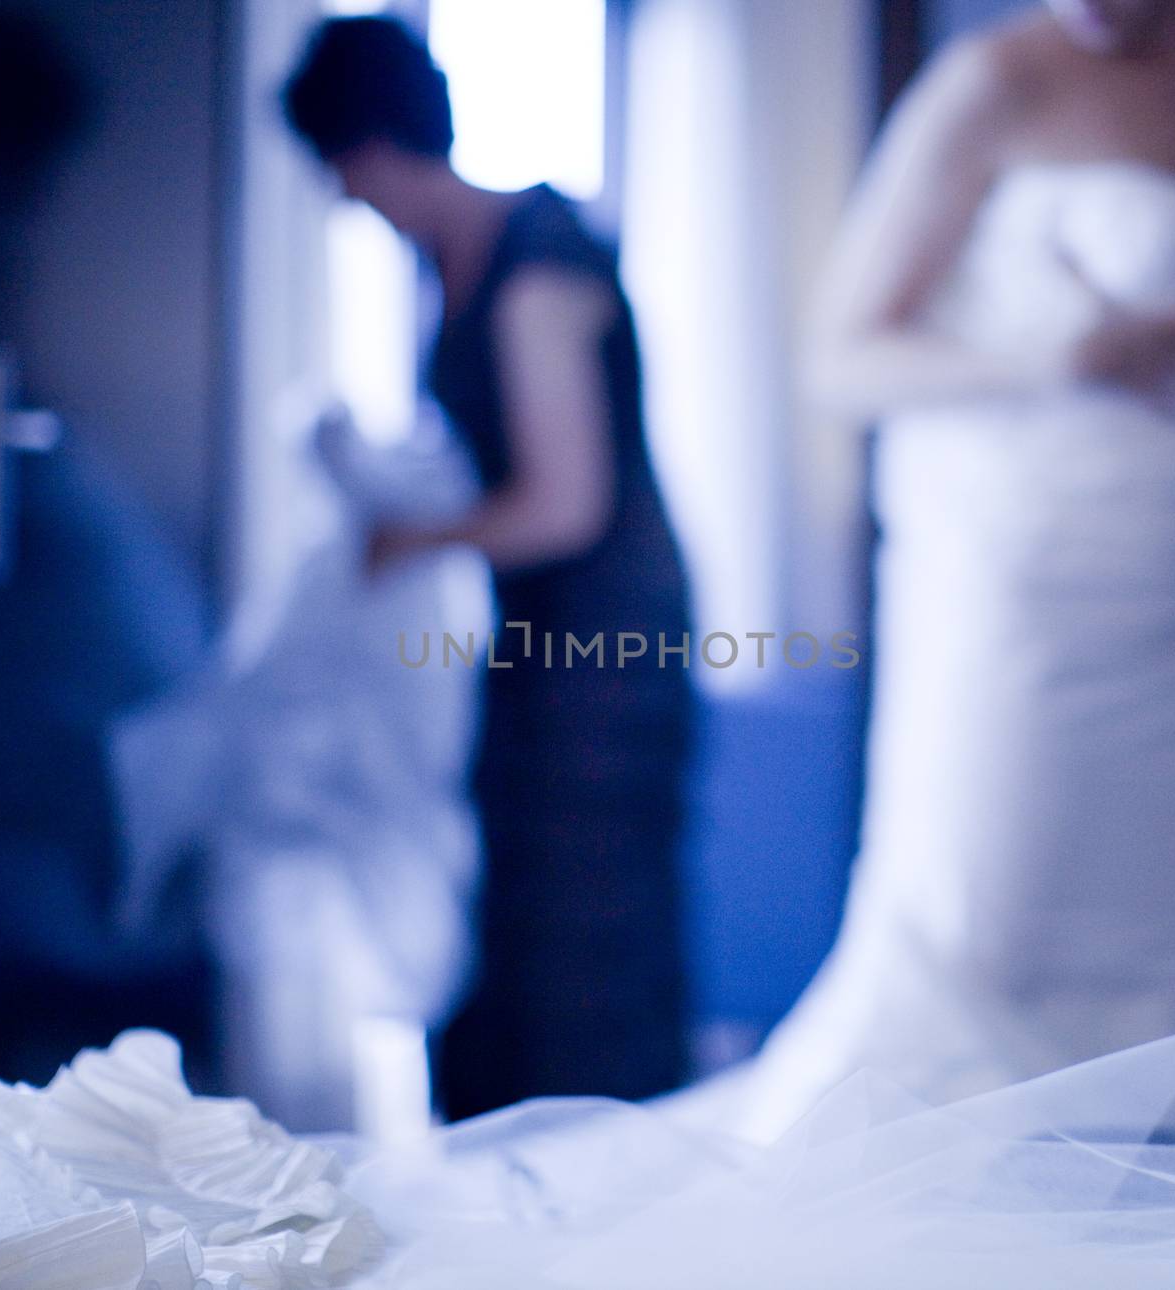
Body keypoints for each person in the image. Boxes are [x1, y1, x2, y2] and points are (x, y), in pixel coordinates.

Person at [727, 0, 1175, 1139]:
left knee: (1142, 943)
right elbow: (838, 356)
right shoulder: (988, 84)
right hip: (1015, 588)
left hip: (1174, 595)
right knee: (983, 944)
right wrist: (1056, 355)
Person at [281, 16, 693, 1119]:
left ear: (366, 149)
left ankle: (600, 1219)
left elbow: (564, 505)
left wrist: (408, 541)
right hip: (532, 640)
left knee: (581, 943)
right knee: (505, 928)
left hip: (605, 645)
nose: (346, 199)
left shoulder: (535, 263)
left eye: (339, 173)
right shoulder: (449, 263)